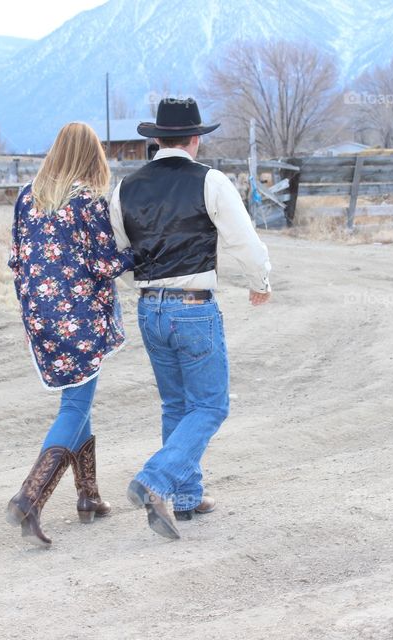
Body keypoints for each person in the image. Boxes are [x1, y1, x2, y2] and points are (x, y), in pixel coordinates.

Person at [109, 97, 272, 540]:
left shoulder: (126, 187)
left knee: (176, 405)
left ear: (157, 138)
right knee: (211, 405)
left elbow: (122, 248)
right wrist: (260, 281)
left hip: (149, 305)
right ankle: (154, 480)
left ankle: (185, 497)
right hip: (193, 306)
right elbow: (244, 240)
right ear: (195, 139)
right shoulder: (211, 181)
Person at [6, 122, 133, 547]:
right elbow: (104, 263)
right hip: (80, 317)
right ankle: (31, 495)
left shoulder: (27, 197)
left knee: (77, 399)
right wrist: (140, 253)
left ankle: (88, 496)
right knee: (75, 404)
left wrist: (31, 312)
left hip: (40, 315)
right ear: (90, 157)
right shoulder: (88, 201)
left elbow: (17, 261)